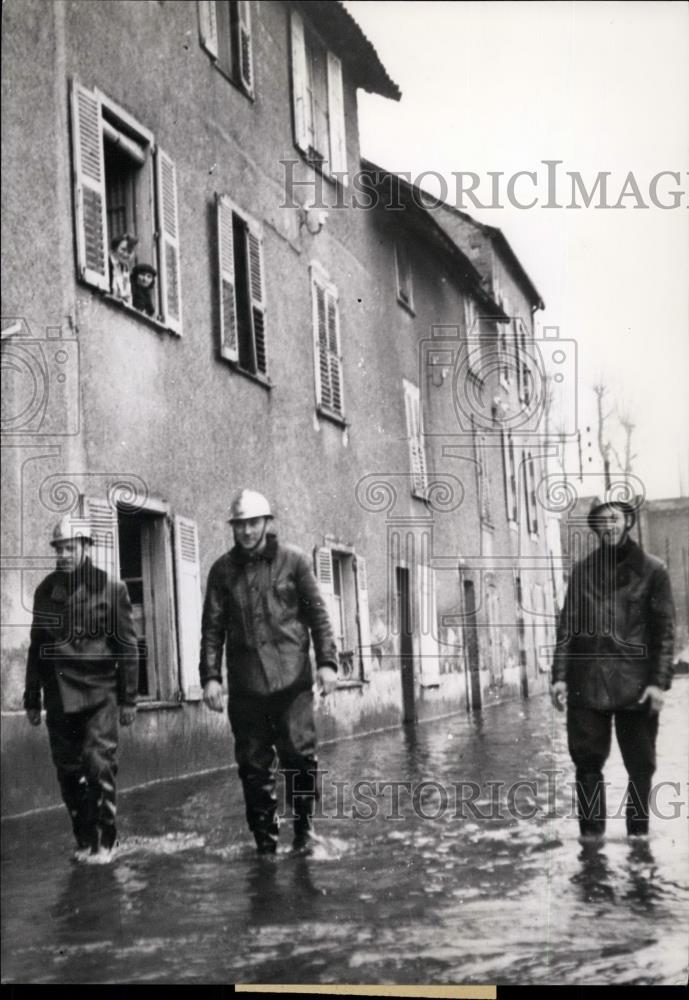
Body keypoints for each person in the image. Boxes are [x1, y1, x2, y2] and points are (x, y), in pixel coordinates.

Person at [199, 489, 338, 855]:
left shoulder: (293, 562)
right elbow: (212, 628)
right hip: (246, 688)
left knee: (300, 759)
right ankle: (265, 844)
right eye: (240, 524)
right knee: (253, 768)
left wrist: (326, 663)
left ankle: (305, 834)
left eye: (253, 523)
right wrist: (211, 677)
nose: (246, 531)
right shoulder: (222, 571)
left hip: (292, 682)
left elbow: (318, 616)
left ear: (266, 523)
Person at [551, 498, 675, 841]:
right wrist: (559, 676)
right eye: (602, 520)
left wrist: (658, 684)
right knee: (587, 764)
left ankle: (638, 840)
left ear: (628, 522)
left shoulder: (654, 571)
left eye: (616, 519)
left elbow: (664, 633)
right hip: (587, 684)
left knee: (640, 766)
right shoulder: (582, 572)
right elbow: (568, 628)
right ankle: (591, 847)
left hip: (636, 684)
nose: (610, 526)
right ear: (595, 527)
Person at [24, 514, 139, 861]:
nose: (63, 555)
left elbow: (127, 647)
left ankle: (105, 844)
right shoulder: (46, 590)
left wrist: (128, 698)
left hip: (99, 693)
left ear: (86, 548)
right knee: (69, 772)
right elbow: (36, 647)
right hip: (59, 696)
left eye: (70, 547)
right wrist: (33, 697)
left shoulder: (110, 588)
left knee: (98, 765)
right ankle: (84, 840)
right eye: (59, 549)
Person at [108, 233, 138, 304]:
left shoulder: (125, 270)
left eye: (129, 252)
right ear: (114, 249)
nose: (125, 254)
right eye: (123, 250)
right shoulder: (108, 264)